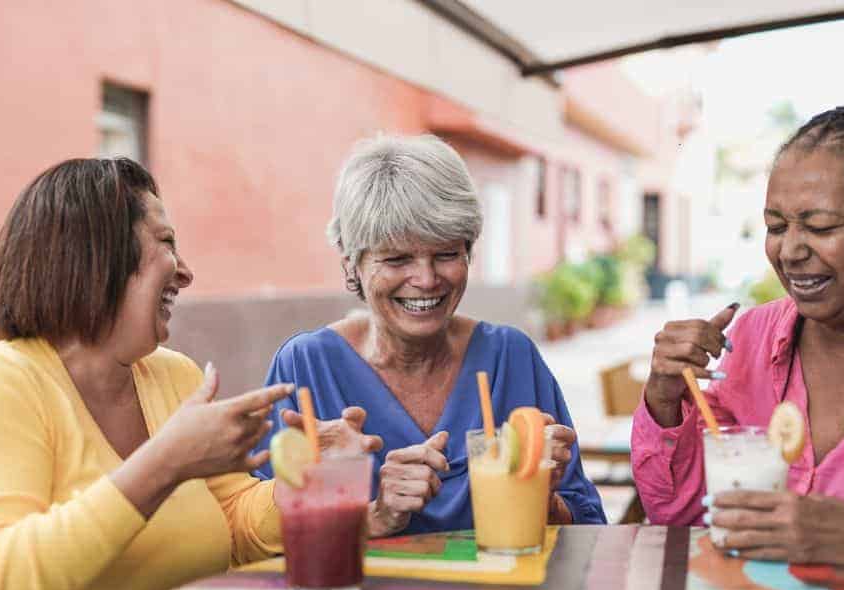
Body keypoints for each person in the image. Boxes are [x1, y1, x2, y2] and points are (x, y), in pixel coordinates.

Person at [0, 158, 368, 590]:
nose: (186, 270)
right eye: (166, 243)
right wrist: (166, 463)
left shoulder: (173, 376)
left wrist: (309, 485)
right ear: (94, 255)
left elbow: (231, 527)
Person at [251, 134, 605, 537]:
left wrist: (542, 498)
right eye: (398, 259)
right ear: (351, 264)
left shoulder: (511, 356)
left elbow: (589, 525)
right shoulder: (306, 365)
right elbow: (261, 534)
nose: (426, 279)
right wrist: (374, 513)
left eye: (446, 254)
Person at [631, 105, 844, 565]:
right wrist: (665, 397)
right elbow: (681, 512)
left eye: (820, 227)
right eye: (776, 227)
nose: (790, 251)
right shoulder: (754, 337)